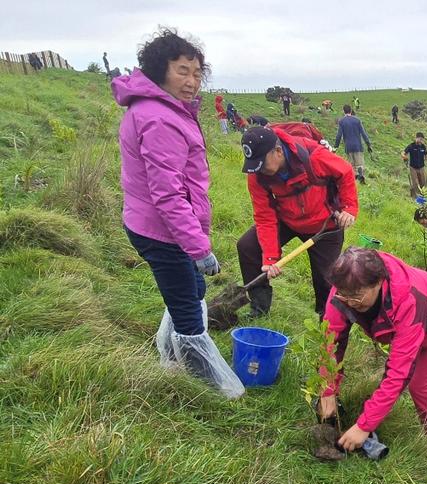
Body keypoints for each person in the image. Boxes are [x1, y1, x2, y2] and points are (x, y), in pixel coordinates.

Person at [113, 29, 243, 399]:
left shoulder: (164, 109)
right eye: (182, 71)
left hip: (162, 225)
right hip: (161, 229)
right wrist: (198, 247)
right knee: (188, 307)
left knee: (193, 289)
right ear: (159, 70)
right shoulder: (160, 119)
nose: (191, 81)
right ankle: (206, 387)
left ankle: (172, 357)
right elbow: (167, 195)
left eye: (197, 73)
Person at [317, 248, 427, 458]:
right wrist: (328, 391)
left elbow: (398, 375)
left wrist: (364, 426)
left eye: (357, 296)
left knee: (422, 386)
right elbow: (332, 342)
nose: (350, 302)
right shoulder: (344, 289)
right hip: (422, 320)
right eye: (344, 295)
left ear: (379, 282)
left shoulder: (407, 299)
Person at [236, 125, 357, 317]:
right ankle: (259, 308)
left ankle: (326, 320)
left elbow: (346, 172)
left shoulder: (314, 156)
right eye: (254, 164)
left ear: (277, 151)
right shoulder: (257, 174)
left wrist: (349, 208)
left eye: (262, 163)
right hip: (287, 219)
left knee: (327, 278)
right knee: (248, 246)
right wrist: (270, 258)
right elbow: (264, 216)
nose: (258, 170)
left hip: (324, 224)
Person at [334, 104, 373, 183]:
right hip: (358, 146)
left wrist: (335, 147)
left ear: (343, 111)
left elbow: (339, 136)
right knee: (360, 163)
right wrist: (368, 144)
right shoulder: (357, 120)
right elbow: (363, 134)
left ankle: (354, 179)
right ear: (351, 111)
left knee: (351, 165)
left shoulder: (341, 121)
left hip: (348, 147)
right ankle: (361, 175)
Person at [402, 132, 427, 198]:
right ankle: (416, 197)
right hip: (413, 167)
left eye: (422, 140)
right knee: (415, 183)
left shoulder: (423, 146)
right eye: (420, 139)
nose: (421, 141)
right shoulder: (411, 146)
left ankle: (422, 196)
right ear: (416, 138)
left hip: (421, 167)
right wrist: (405, 157)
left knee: (423, 183)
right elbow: (403, 153)